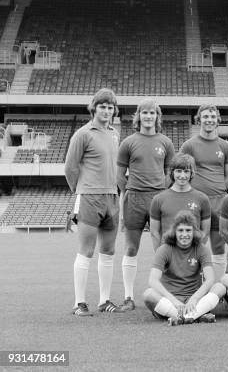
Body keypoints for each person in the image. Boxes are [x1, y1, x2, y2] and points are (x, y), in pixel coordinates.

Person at [65, 88, 122, 316]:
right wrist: (80, 190)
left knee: (108, 251)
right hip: (89, 197)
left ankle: (104, 300)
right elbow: (70, 167)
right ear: (94, 108)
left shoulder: (115, 133)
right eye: (102, 106)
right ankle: (79, 303)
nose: (106, 111)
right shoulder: (83, 134)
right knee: (86, 251)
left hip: (112, 197)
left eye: (110, 107)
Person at [117, 99, 175, 311]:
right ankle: (128, 297)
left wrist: (161, 192)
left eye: (152, 113)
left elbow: (171, 172)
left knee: (161, 247)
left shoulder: (166, 142)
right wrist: (130, 190)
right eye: (145, 112)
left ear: (157, 117)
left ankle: (165, 292)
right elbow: (119, 174)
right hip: (134, 199)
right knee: (131, 247)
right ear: (138, 116)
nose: (148, 116)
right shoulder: (128, 142)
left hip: (158, 199)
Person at [180, 104, 228, 279]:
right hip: (195, 202)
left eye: (212, 117)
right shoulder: (189, 145)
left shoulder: (225, 147)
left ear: (217, 119)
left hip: (219, 201)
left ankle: (217, 286)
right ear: (199, 119)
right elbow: (182, 171)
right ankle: (193, 282)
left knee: (218, 246)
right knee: (196, 243)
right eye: (205, 117)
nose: (209, 120)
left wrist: (216, 190)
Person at [143, 211, 226, 325]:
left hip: (193, 301)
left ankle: (182, 317)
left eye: (188, 230)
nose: (184, 234)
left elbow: (210, 279)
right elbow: (153, 280)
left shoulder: (202, 249)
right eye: (180, 230)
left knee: (220, 287)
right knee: (148, 294)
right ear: (174, 232)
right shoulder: (164, 249)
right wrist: (173, 301)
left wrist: (194, 299)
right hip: (170, 300)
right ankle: (194, 315)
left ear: (194, 232)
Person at [149, 153, 211, 250]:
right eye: (178, 171)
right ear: (172, 172)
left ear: (191, 173)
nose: (182, 176)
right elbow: (154, 232)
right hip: (168, 255)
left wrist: (196, 253)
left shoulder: (202, 199)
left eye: (186, 171)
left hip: (193, 256)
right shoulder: (158, 199)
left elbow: (205, 232)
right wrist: (160, 255)